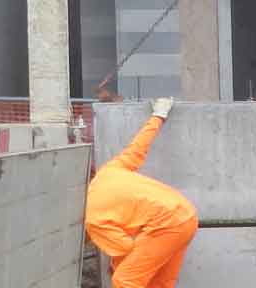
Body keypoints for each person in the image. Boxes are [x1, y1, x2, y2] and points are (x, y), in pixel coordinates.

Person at [85, 97, 199, 288]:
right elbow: (137, 148)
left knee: (125, 281)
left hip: (166, 224)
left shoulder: (92, 221)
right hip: (186, 215)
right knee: (159, 284)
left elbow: (125, 247)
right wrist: (158, 116)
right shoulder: (107, 172)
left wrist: (117, 265)